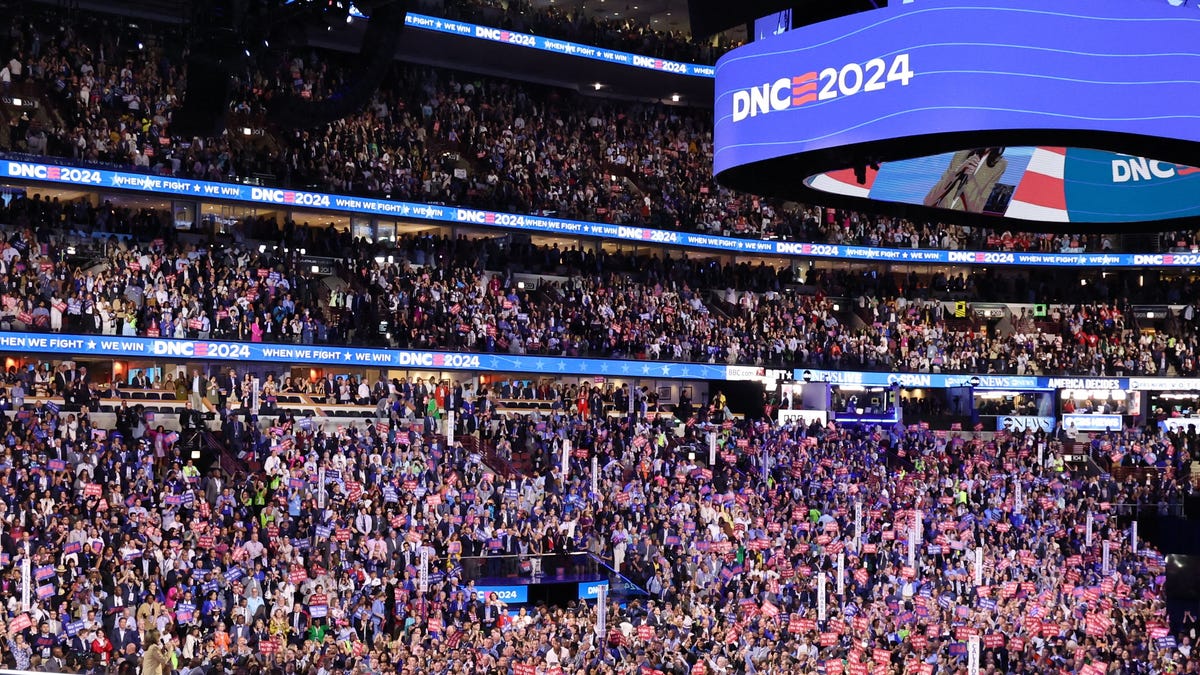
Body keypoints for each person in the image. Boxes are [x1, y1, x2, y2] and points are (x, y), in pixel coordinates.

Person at [924, 147, 1008, 213]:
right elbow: (928, 201)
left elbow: (977, 209)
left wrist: (970, 179)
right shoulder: (962, 153)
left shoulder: (1000, 164)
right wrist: (956, 173)